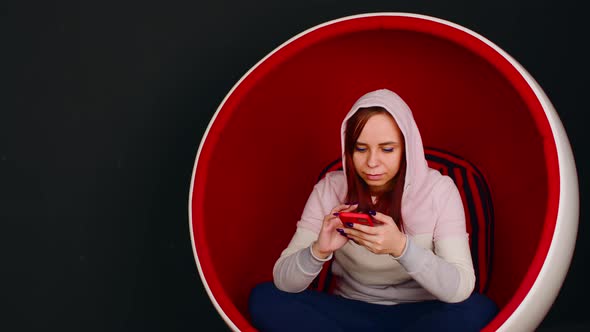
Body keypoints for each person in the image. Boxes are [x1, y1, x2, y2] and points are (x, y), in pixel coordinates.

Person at [248, 89, 498, 331]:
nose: (372, 162)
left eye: (387, 149)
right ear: (349, 149)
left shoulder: (439, 190)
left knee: (478, 310)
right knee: (264, 298)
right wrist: (318, 251)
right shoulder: (330, 188)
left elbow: (461, 287)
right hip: (347, 310)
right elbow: (283, 280)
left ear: (407, 148)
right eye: (361, 148)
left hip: (420, 313)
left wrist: (402, 248)